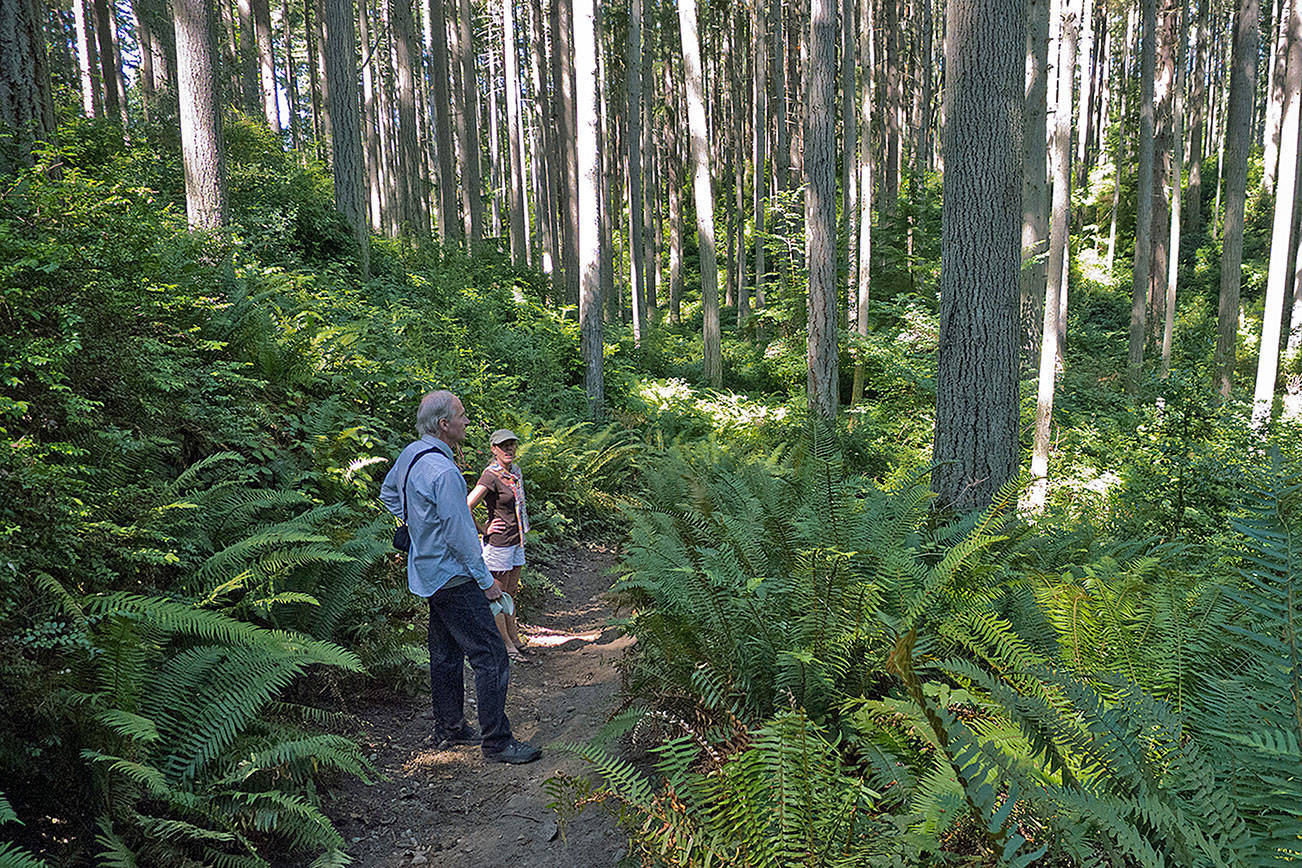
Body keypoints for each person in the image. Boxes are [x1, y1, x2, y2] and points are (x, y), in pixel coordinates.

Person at [379, 391, 541, 765]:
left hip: (427, 572)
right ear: (444, 424)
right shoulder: (445, 472)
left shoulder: (410, 456)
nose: (467, 422)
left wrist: (417, 524)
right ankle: (497, 742)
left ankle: (450, 727)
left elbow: (389, 493)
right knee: (492, 656)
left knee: (446, 653)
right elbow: (460, 536)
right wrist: (486, 581)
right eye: (463, 416)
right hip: (454, 576)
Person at [467, 429, 530, 662]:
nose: (509, 449)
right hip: (499, 545)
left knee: (511, 592)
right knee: (498, 595)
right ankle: (504, 644)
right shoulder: (490, 475)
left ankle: (513, 637)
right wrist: (483, 529)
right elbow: (467, 505)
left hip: (517, 541)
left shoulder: (515, 472)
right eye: (503, 446)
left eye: (512, 445)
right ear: (494, 449)